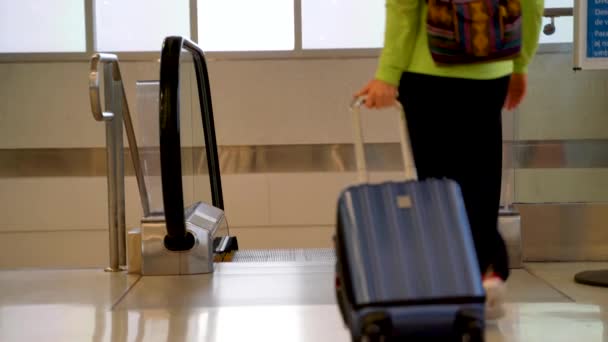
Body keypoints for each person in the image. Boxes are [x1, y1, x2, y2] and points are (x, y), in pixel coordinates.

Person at [356, 0, 544, 319]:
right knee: (482, 181)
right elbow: (533, 4)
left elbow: (403, 7)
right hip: (492, 70)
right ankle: (485, 272)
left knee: (438, 188)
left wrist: (387, 75)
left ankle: (450, 281)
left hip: (429, 71)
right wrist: (520, 63)